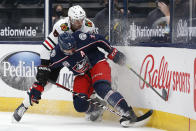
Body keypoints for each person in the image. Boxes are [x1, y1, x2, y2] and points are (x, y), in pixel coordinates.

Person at [13, 31, 138, 126]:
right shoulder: (56, 55)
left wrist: (112, 52)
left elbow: (99, 40)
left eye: (73, 47)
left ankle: (127, 112)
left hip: (97, 64)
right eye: (69, 50)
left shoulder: (80, 38)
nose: (72, 51)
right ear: (61, 48)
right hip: (81, 75)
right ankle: (96, 108)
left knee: (101, 88)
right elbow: (45, 74)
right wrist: (38, 88)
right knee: (79, 105)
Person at [12, 5, 100, 122]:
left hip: (79, 56)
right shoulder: (60, 26)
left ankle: (93, 104)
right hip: (59, 56)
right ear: (69, 18)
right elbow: (46, 47)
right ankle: (24, 105)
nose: (79, 23)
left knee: (88, 78)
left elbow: (93, 47)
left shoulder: (89, 26)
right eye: (75, 20)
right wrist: (44, 66)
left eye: (81, 19)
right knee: (43, 83)